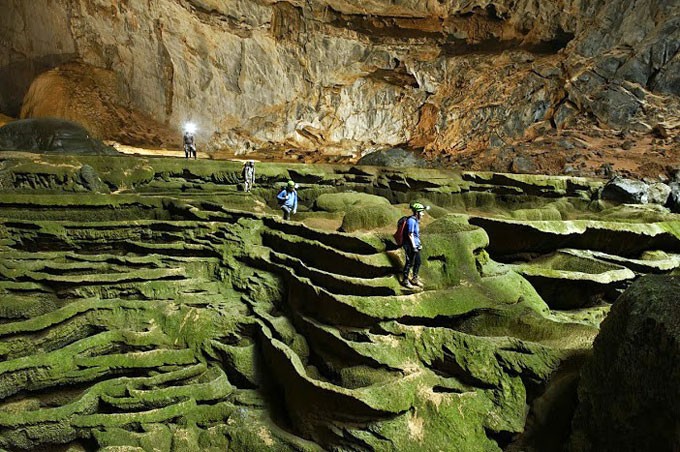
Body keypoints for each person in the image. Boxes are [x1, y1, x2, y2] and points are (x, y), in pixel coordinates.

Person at [402, 202, 427, 289]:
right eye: (421, 212)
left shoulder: (416, 221)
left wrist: (418, 244)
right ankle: (405, 280)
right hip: (410, 245)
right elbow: (410, 234)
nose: (423, 214)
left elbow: (416, 235)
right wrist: (413, 247)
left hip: (415, 245)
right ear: (417, 213)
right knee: (409, 263)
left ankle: (414, 279)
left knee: (418, 262)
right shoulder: (411, 221)